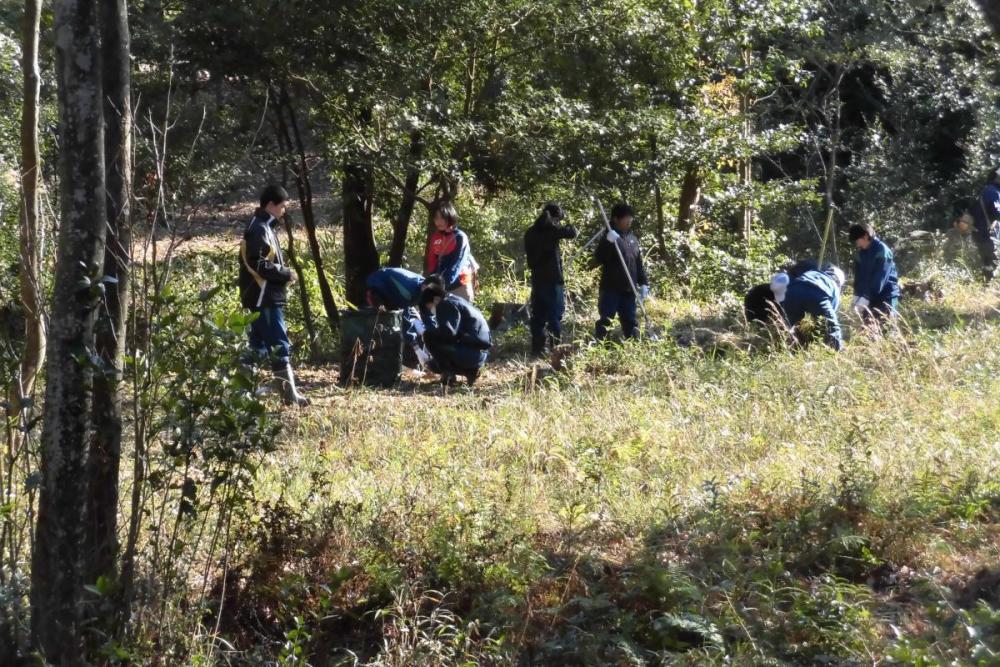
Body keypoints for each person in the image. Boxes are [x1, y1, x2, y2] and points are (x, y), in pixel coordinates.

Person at [239, 184, 309, 406]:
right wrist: (285, 273)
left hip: (265, 296)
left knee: (257, 348)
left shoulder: (265, 226)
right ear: (270, 205)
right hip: (264, 298)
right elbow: (257, 263)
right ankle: (290, 397)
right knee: (279, 344)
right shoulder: (259, 228)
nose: (284, 210)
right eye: (282, 206)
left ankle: (239, 396)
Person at [524, 202, 577, 355]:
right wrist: (564, 224)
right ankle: (556, 349)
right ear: (555, 218)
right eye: (557, 220)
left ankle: (537, 349)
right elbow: (572, 232)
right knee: (555, 315)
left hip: (537, 278)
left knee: (538, 315)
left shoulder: (530, 232)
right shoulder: (552, 230)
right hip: (553, 279)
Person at [418, 280, 491, 386]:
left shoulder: (445, 304)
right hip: (480, 353)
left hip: (470, 354)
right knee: (434, 361)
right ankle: (470, 371)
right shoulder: (457, 300)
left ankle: (448, 375)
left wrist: (427, 335)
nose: (430, 310)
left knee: (429, 337)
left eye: (429, 306)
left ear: (435, 299)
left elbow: (448, 333)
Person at [594, 202, 649, 340]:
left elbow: (638, 263)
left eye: (630, 217)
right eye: (626, 217)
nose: (629, 220)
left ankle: (634, 348)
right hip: (611, 289)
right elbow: (600, 258)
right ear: (616, 219)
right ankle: (602, 348)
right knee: (606, 320)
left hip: (628, 290)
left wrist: (643, 283)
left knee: (630, 321)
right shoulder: (610, 236)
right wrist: (607, 242)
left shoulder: (632, 239)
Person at [365, 267, 434, 367]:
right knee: (394, 326)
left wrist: (430, 338)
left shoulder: (428, 289)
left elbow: (428, 316)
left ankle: (416, 361)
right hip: (380, 287)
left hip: (401, 296)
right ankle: (395, 363)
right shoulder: (408, 289)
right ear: (423, 287)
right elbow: (404, 318)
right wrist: (417, 349)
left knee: (419, 327)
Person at [781, 265, 846, 351]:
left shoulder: (814, 272)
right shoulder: (833, 285)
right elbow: (828, 317)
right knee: (831, 327)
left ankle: (785, 346)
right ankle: (838, 350)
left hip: (792, 291)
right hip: (817, 293)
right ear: (839, 282)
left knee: (788, 325)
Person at [848, 223, 900, 324]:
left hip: (886, 297)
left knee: (887, 329)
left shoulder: (882, 251)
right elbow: (859, 278)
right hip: (869, 299)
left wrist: (865, 298)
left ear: (866, 236)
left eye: (857, 238)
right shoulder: (861, 254)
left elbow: (879, 279)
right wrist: (857, 296)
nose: (856, 242)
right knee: (868, 331)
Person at [425, 201, 476, 301]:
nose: (438, 221)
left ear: (449, 217)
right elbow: (432, 263)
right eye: (436, 218)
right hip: (441, 287)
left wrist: (440, 286)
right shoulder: (435, 237)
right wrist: (431, 283)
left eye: (441, 218)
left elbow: (456, 265)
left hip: (459, 286)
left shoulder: (460, 237)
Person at [967, 167, 1000, 280]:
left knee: (987, 264)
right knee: (991, 264)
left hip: (980, 233)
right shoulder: (993, 192)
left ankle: (985, 285)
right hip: (988, 235)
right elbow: (997, 214)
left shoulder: (987, 190)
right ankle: (988, 287)